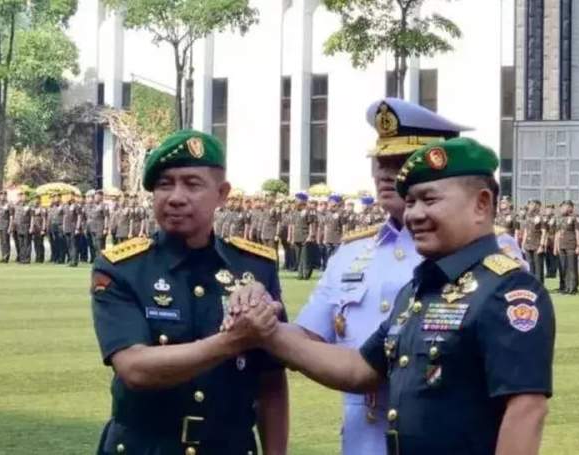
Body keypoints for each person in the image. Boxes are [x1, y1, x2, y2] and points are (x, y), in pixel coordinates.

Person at [226, 137, 554, 455]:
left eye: (430, 199)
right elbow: (359, 369)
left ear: (481, 204)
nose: (414, 215)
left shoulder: (507, 291)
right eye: (410, 202)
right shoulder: (419, 291)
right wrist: (265, 331)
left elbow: (525, 409)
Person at [90, 129, 288, 455]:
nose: (176, 196)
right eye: (165, 184)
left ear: (222, 194)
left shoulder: (255, 268)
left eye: (192, 184)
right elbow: (134, 368)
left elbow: (270, 381)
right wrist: (231, 341)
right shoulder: (121, 268)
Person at [290, 98, 467, 454]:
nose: (385, 173)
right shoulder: (353, 252)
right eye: (380, 161)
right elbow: (307, 334)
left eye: (400, 162)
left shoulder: (481, 251)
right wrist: (253, 318)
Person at [554, 200, 579, 294]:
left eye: (565, 206)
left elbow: (578, 232)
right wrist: (556, 246)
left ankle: (573, 287)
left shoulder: (575, 217)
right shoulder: (560, 218)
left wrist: (578, 245)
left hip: (571, 244)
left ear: (570, 207)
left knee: (572, 267)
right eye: (562, 207)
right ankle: (566, 286)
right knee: (564, 267)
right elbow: (557, 233)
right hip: (562, 245)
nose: (562, 208)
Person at [521, 199, 546, 282]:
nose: (530, 206)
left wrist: (541, 246)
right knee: (529, 266)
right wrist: (523, 243)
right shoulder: (528, 217)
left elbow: (544, 232)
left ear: (537, 206)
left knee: (538, 267)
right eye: (530, 204)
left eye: (532, 204)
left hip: (537, 244)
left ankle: (539, 285)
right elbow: (526, 231)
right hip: (528, 245)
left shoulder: (541, 217)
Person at [13, 192, 32, 264]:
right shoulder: (17, 206)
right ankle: (22, 258)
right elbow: (15, 217)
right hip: (19, 227)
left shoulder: (29, 206)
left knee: (27, 243)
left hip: (26, 226)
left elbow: (32, 217)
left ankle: (27, 259)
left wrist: (31, 227)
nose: (22, 198)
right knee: (21, 244)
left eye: (24, 196)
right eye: (21, 196)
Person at [31, 195, 48, 263]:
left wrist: (43, 229)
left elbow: (44, 219)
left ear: (39, 200)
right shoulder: (33, 208)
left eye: (37, 199)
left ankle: (41, 258)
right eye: (35, 199)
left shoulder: (42, 208)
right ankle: (37, 257)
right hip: (35, 229)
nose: (35, 201)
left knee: (40, 244)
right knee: (36, 244)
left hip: (40, 228)